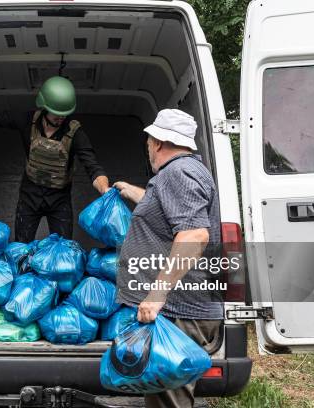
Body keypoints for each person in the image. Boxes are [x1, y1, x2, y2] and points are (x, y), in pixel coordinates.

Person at [114, 109, 224, 408]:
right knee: (164, 397)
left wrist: (157, 294)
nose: (148, 146)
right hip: (176, 311)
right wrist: (131, 192)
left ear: (159, 142)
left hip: (179, 312)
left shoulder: (178, 172)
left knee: (169, 400)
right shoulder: (181, 172)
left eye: (149, 140)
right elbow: (168, 210)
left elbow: (193, 235)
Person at [0, 76, 110, 242]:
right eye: (56, 112)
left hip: (59, 200)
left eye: (64, 113)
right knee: (22, 249)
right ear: (45, 106)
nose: (61, 117)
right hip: (29, 196)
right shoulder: (27, 121)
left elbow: (93, 166)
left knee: (63, 250)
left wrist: (105, 189)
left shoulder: (75, 133)